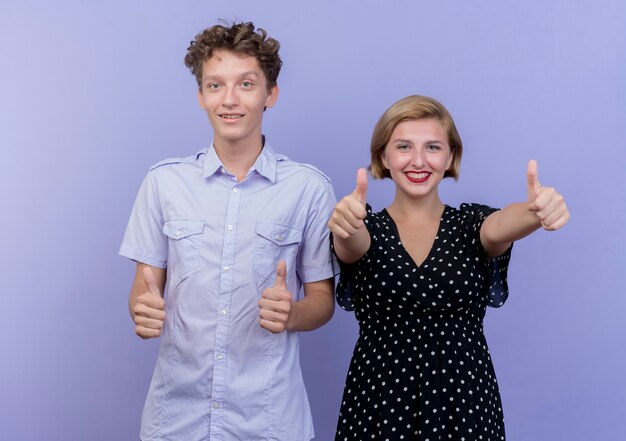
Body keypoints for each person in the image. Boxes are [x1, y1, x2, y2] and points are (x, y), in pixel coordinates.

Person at [119, 22, 336, 441]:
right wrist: (141, 309)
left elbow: (323, 301)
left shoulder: (309, 188)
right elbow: (144, 290)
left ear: (270, 95)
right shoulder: (163, 183)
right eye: (215, 85)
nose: (230, 99)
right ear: (201, 96)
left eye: (246, 84)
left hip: (268, 420)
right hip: (175, 420)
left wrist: (293, 313)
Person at [328, 95, 570, 440]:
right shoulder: (366, 228)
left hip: (465, 401)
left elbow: (502, 225)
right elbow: (351, 245)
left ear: (450, 156)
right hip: (380, 401)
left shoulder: (471, 224)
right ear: (384, 155)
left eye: (432, 147)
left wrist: (536, 211)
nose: (418, 160)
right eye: (403, 146)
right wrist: (346, 225)